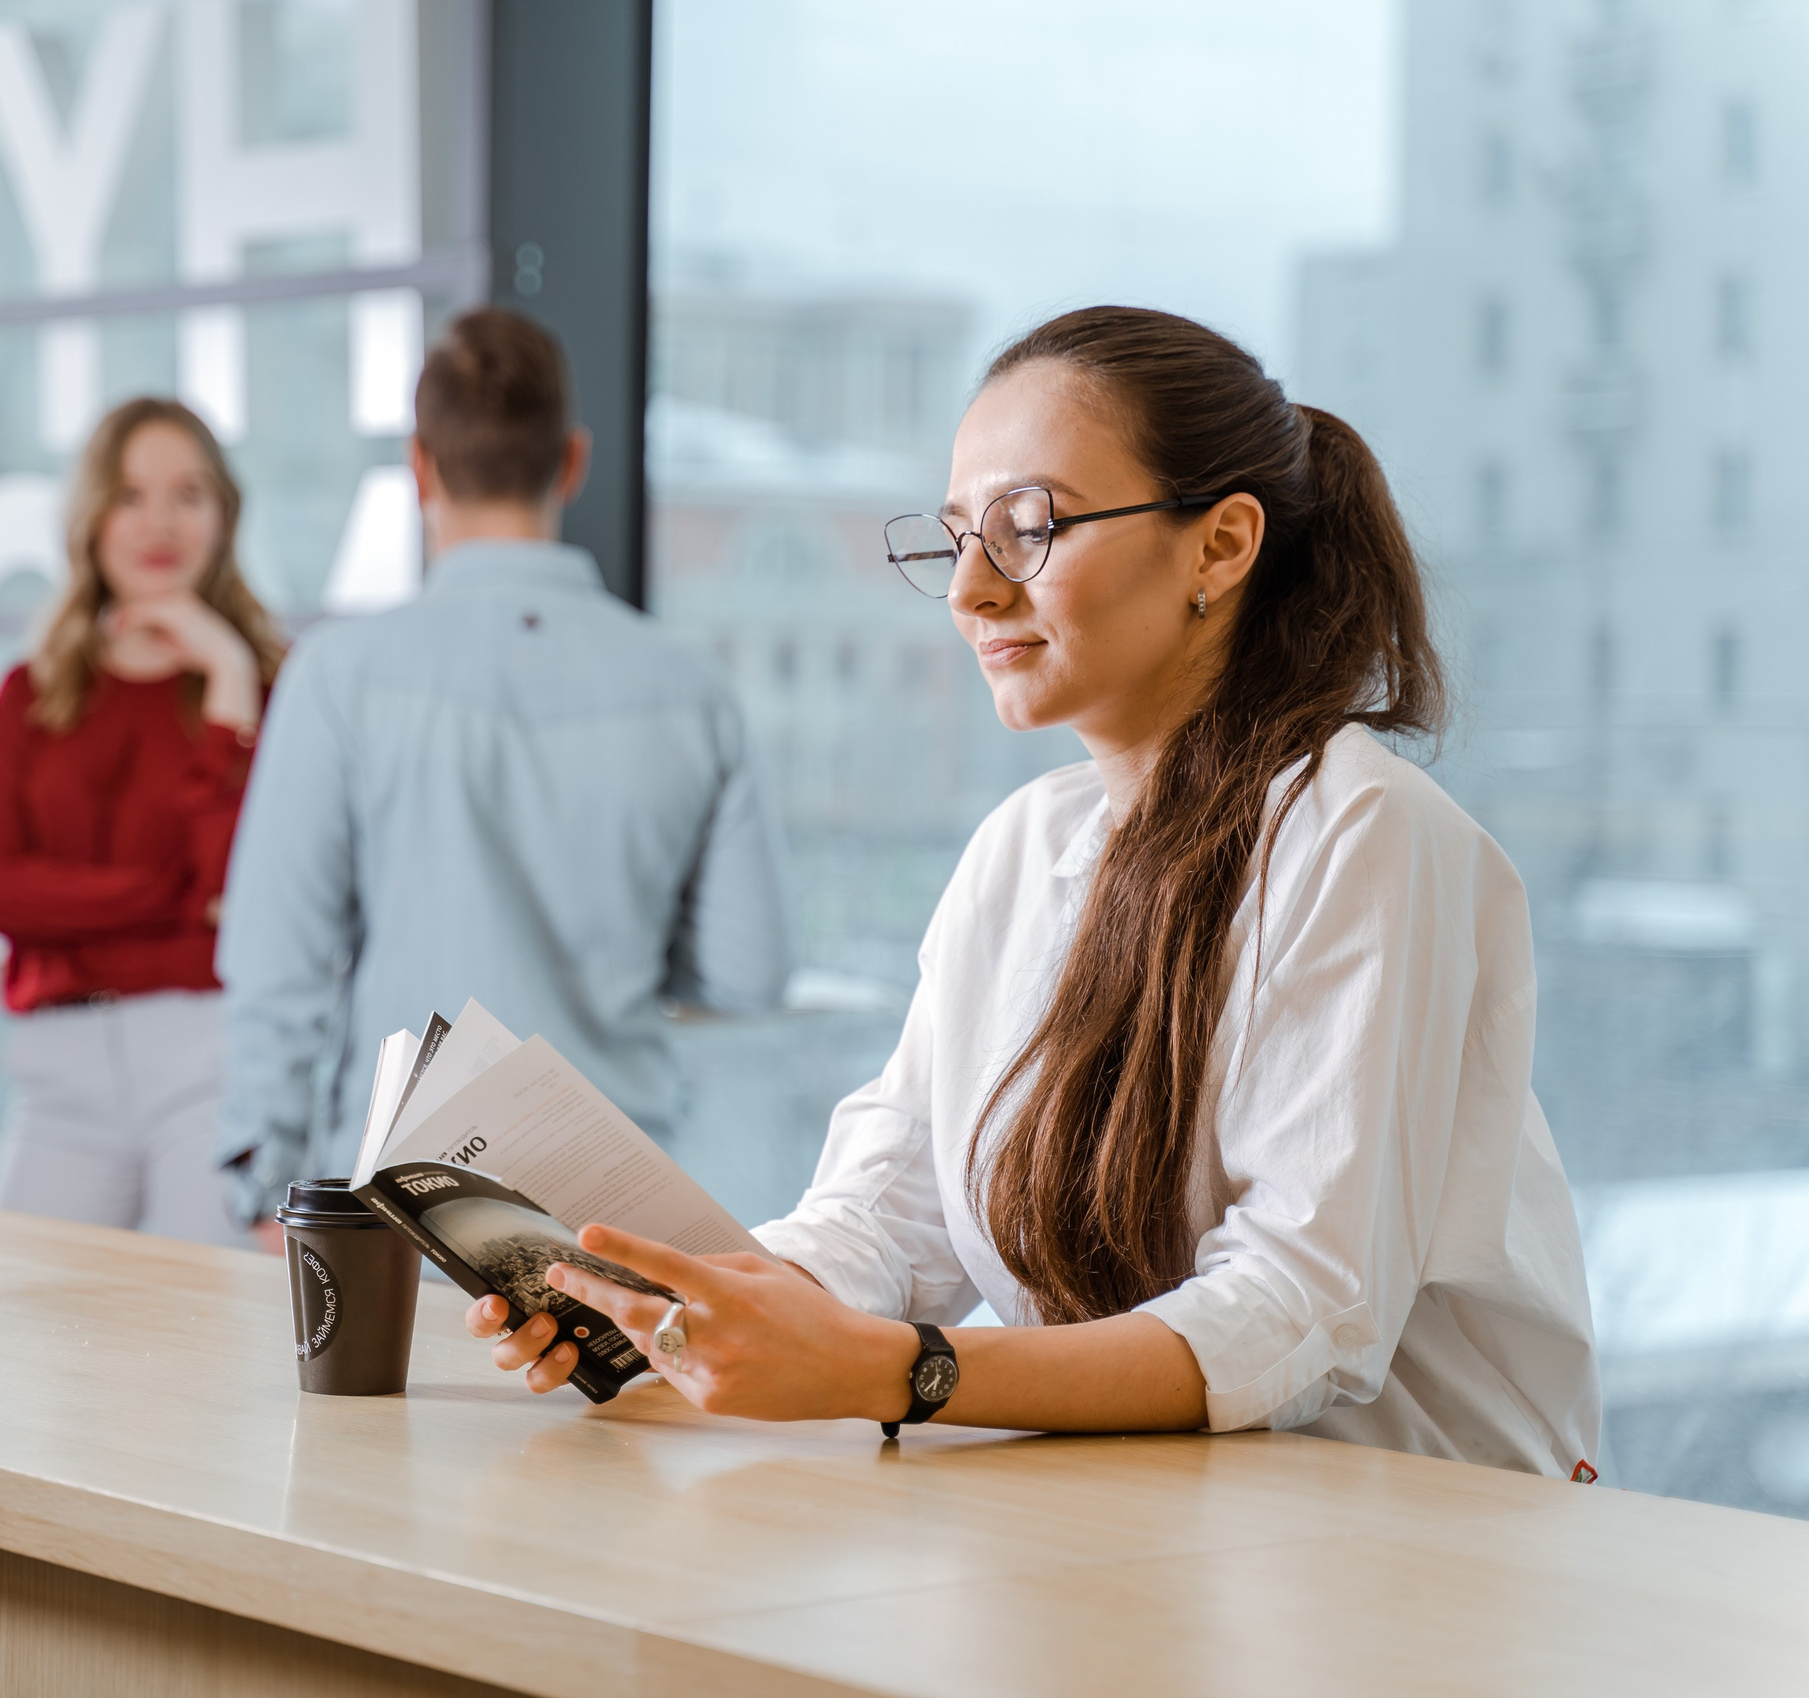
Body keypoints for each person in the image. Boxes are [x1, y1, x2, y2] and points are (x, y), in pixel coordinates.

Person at [471, 306, 1604, 1479]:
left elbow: (1298, 1310)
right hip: (1151, 1517)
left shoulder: (1364, 832)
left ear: (1219, 546)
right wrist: (681, 1309)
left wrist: (895, 1370)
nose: (969, 590)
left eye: (1027, 528)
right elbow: (887, 1210)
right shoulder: (1021, 849)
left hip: (1413, 1541)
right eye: (957, 535)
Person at [218, 307, 791, 1228]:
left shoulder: (339, 675)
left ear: (419, 468)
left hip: (402, 1211)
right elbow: (747, 972)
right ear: (572, 460)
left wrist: (260, 1184)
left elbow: (277, 967)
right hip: (619, 1213)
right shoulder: (693, 689)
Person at [0, 398, 283, 1245]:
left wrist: (225, 677)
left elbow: (238, 892)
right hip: (57, 1065)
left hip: (207, 1054)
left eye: (189, 494)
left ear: (223, 514)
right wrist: (170, 895)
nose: (160, 524)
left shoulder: (268, 685)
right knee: (10, 1317)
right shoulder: (31, 693)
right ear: (91, 516)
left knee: (205, 1332)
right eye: (132, 495)